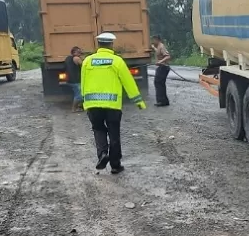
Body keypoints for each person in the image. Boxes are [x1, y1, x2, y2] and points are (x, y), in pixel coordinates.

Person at [81, 32, 146, 174]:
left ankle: (103, 154)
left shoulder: (87, 61)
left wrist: (84, 101)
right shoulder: (117, 61)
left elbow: (83, 83)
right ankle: (115, 165)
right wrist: (138, 101)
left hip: (92, 105)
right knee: (114, 133)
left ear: (98, 44)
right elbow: (128, 82)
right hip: (112, 106)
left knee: (98, 130)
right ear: (111, 44)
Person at [151, 35, 172, 107]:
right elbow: (158, 52)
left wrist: (160, 62)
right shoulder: (159, 47)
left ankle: (161, 101)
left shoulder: (161, 46)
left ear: (157, 40)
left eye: (154, 40)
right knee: (160, 84)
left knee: (158, 83)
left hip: (163, 67)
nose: (153, 42)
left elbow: (168, 56)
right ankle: (164, 101)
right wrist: (154, 48)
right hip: (162, 67)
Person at [65, 46, 83, 112]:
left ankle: (79, 107)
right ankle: (74, 109)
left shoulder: (67, 58)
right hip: (75, 80)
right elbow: (84, 66)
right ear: (74, 52)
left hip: (69, 80)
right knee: (79, 95)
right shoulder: (76, 58)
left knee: (77, 93)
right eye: (79, 52)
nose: (80, 53)